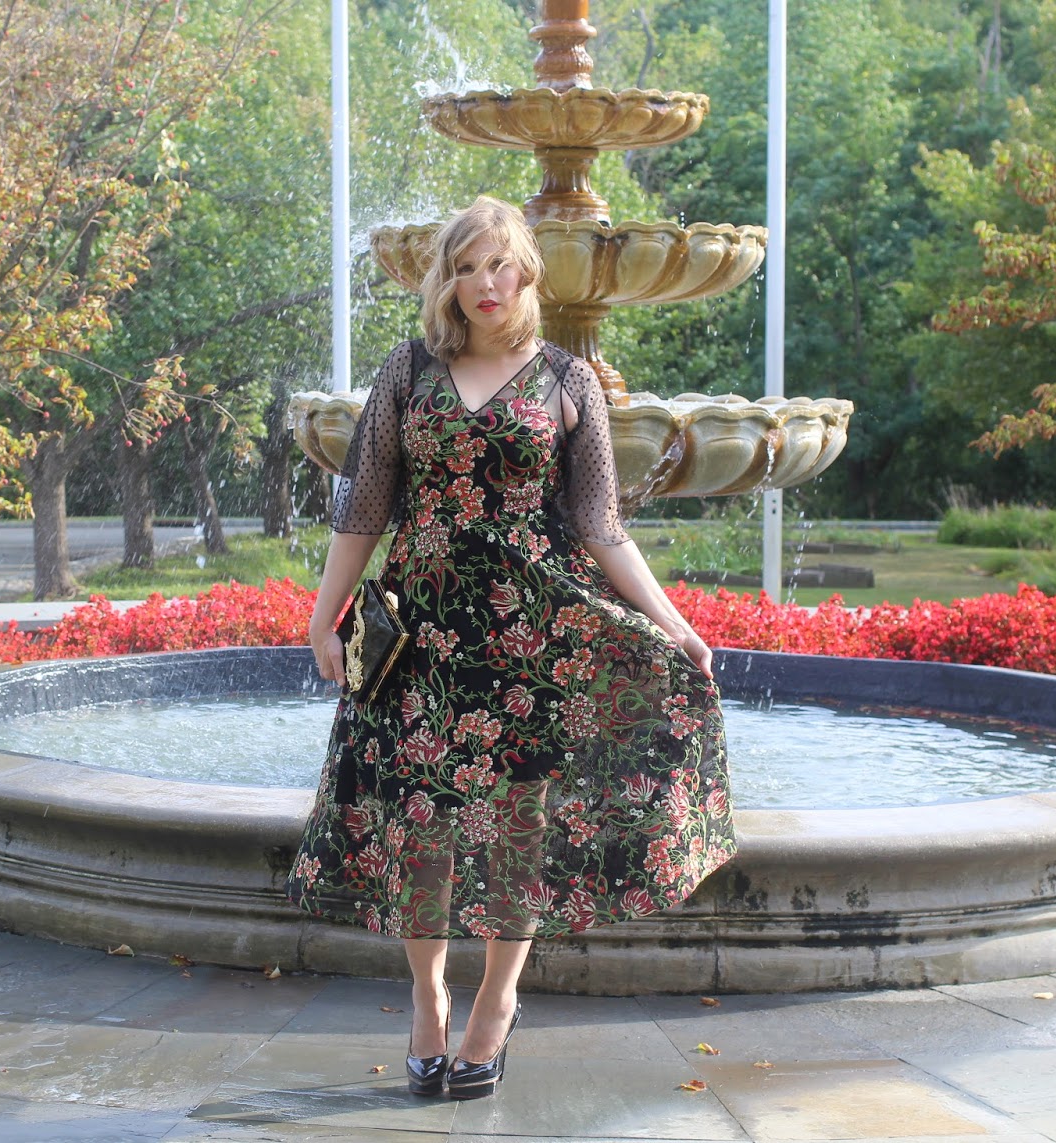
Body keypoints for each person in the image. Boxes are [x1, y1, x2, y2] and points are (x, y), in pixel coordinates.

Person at [286, 195, 736, 1100]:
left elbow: (601, 526)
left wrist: (675, 623)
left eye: (497, 263)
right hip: (419, 631)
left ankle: (496, 1002)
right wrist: (322, 616)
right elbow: (363, 506)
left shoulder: (569, 380)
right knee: (419, 816)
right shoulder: (409, 370)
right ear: (446, 281)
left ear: (527, 269)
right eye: (464, 268)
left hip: (534, 637)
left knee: (516, 823)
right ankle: (428, 998)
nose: (483, 283)